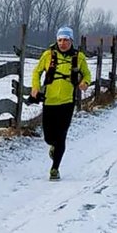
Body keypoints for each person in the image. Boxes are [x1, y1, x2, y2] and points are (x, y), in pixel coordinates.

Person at [31, 26, 92, 180]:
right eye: (60, 40)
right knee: (48, 137)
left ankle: (54, 169)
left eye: (66, 40)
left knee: (61, 136)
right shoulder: (48, 55)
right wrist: (35, 87)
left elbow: (87, 74)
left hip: (67, 102)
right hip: (50, 101)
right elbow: (37, 72)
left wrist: (85, 83)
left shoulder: (79, 57)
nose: (62, 43)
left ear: (71, 40)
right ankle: (53, 147)